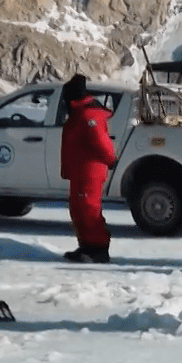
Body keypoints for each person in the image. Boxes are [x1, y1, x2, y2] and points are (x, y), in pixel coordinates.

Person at [59, 74, 117, 263]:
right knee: (78, 208)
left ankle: (98, 249)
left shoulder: (88, 115)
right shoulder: (80, 112)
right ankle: (86, 246)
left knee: (89, 208)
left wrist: (111, 160)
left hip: (89, 171)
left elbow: (101, 142)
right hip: (80, 170)